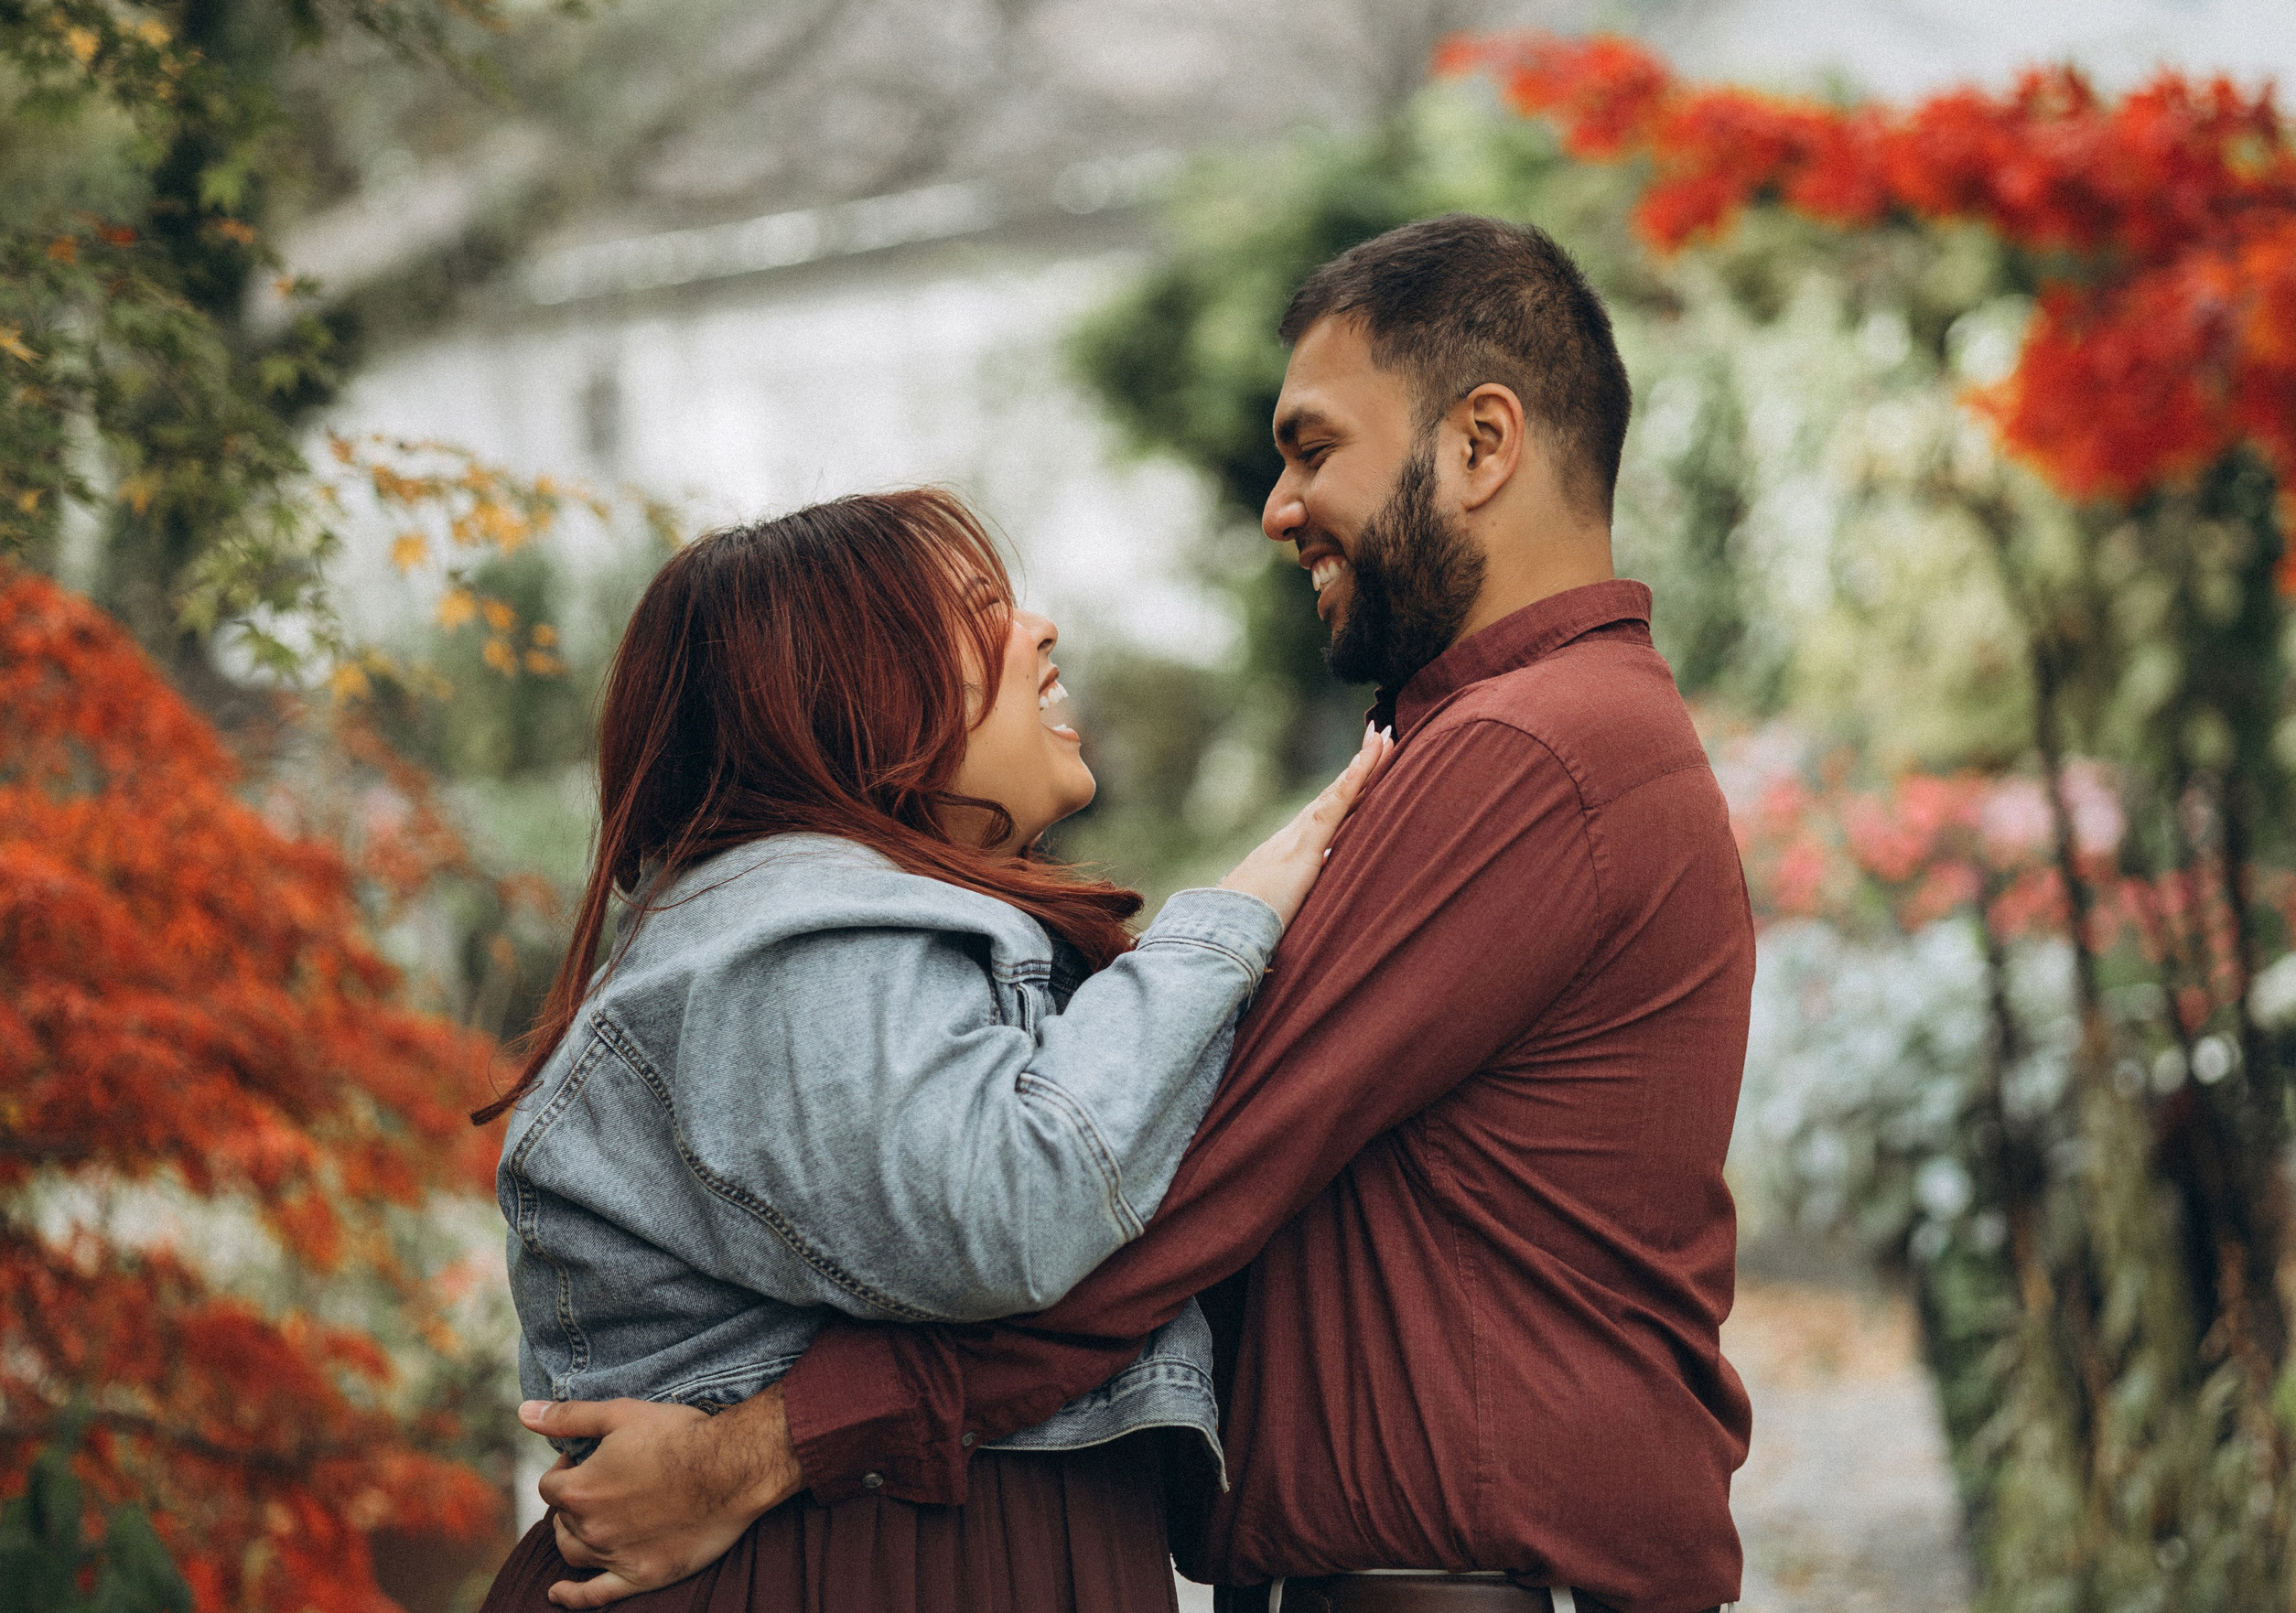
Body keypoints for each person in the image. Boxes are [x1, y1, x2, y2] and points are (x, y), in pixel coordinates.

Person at [523, 215, 1756, 1613]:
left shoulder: (1528, 752)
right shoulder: (1508, 738)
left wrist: (763, 1447)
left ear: (1482, 445)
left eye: (1311, 448)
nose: (1280, 507)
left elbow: (1155, 1200)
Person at [472, 488, 1396, 1613]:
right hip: (852, 1563)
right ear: (850, 690)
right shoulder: (787, 942)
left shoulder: (854, 940)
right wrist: (1226, 922)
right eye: (977, 613)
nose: (1041, 629)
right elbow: (1013, 1207)